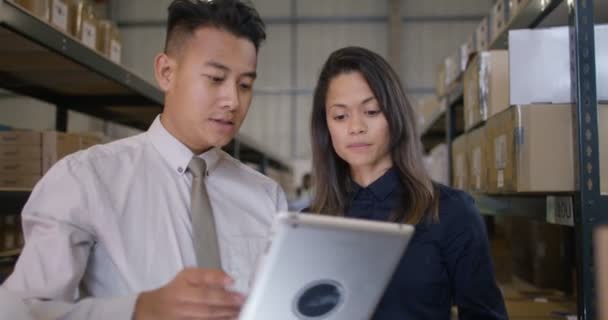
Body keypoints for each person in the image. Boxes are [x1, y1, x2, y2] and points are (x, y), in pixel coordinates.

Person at [1, 1, 287, 319]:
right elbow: (21, 311)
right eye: (215, 79)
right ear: (166, 72)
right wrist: (137, 310)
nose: (233, 101)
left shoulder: (266, 197)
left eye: (245, 85)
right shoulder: (86, 179)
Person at [308, 46, 508, 319]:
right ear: (326, 127)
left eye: (372, 111)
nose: (356, 127)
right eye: (340, 116)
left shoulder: (451, 212)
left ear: (395, 116)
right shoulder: (309, 226)